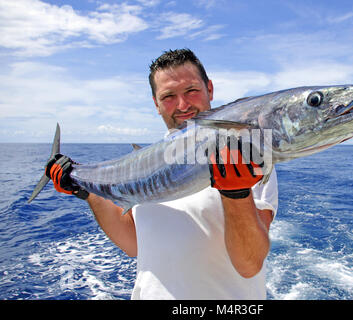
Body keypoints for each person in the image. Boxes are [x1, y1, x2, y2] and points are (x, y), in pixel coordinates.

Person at [45, 49, 278, 299]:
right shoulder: (145, 164)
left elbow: (249, 264)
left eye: (191, 91)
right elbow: (132, 243)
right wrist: (85, 192)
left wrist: (236, 193)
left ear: (209, 89)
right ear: (156, 103)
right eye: (168, 96)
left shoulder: (248, 155)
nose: (183, 105)